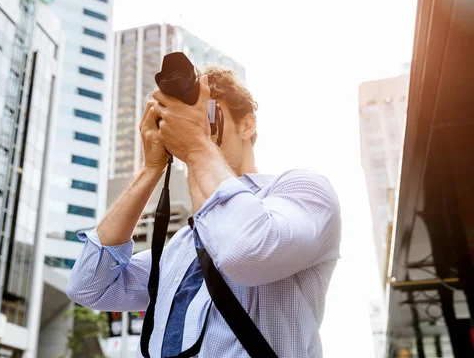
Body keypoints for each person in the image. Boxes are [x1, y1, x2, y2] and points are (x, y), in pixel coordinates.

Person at [66, 67, 342, 358]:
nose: (191, 125)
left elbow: (247, 252)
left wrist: (197, 147)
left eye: (204, 113)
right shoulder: (181, 246)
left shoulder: (302, 191)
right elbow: (89, 286)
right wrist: (151, 169)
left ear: (246, 124)